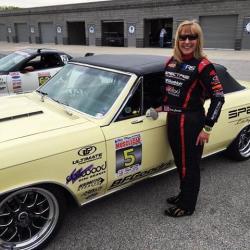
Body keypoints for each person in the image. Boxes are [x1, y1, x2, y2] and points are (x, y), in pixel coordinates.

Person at [157, 20, 225, 217]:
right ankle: (183, 194)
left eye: (192, 37)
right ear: (177, 39)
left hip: (191, 121)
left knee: (190, 164)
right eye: (182, 37)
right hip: (173, 119)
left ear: (198, 40)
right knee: (180, 162)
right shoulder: (170, 61)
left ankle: (187, 206)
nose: (187, 41)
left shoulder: (204, 65)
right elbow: (168, 93)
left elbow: (218, 98)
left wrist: (208, 127)